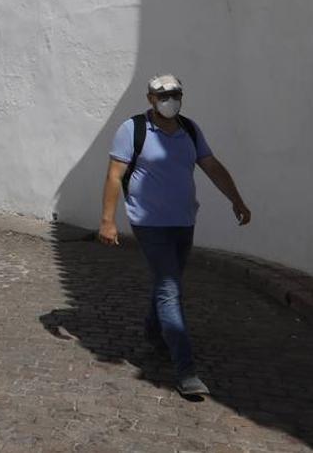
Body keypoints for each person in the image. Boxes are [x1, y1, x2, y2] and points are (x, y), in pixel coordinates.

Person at [98, 74, 251, 397]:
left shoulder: (190, 130)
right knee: (170, 290)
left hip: (183, 221)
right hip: (148, 224)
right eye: (162, 95)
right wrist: (107, 220)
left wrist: (235, 199)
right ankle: (186, 371)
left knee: (169, 280)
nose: (170, 100)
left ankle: (154, 332)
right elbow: (115, 176)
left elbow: (211, 166)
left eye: (175, 94)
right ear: (150, 98)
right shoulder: (133, 130)